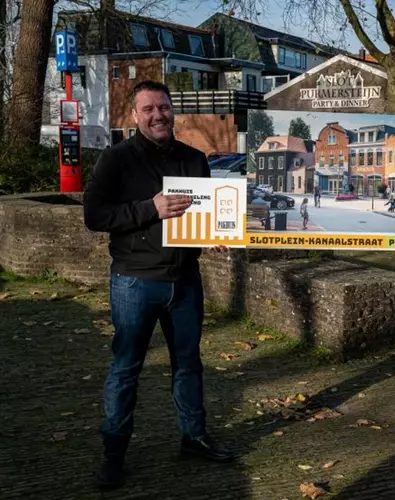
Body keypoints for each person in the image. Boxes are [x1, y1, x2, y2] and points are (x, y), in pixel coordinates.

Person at [83, 80, 234, 490]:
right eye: (148, 109)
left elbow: (201, 215)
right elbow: (95, 216)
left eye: (163, 107)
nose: (157, 115)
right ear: (134, 115)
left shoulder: (194, 158)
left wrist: (215, 235)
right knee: (126, 368)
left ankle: (194, 437)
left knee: (188, 365)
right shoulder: (115, 160)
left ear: (173, 112)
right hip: (134, 282)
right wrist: (150, 208)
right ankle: (114, 455)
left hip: (185, 281)